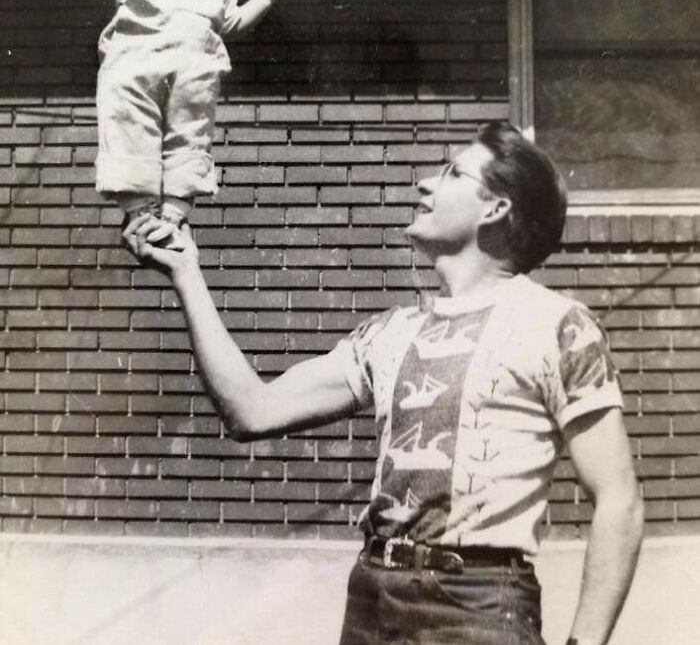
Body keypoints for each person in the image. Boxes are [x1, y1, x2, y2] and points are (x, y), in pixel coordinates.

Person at [124, 121, 643, 645]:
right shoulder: (389, 333)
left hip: (480, 606)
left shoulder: (559, 327)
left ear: (495, 208)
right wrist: (186, 272)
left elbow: (619, 498)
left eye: (452, 173)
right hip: (373, 597)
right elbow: (252, 410)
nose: (424, 184)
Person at [48, 0, 300, 244]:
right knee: (129, 129)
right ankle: (141, 210)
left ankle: (176, 211)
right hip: (133, 72)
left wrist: (264, 0)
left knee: (191, 135)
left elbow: (230, 23)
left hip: (194, 76)